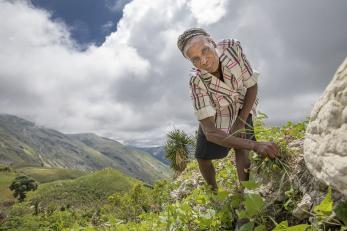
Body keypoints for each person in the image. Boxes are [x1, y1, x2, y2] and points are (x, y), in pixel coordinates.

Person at [177, 28, 279, 193]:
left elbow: (251, 84)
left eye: (205, 50)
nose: (203, 60)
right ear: (190, 62)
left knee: (242, 147)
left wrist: (241, 121)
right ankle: (214, 192)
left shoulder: (233, 48)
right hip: (216, 115)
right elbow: (210, 132)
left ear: (212, 42)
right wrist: (255, 145)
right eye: (195, 59)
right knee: (202, 158)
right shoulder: (196, 80)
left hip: (242, 104)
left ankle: (245, 195)